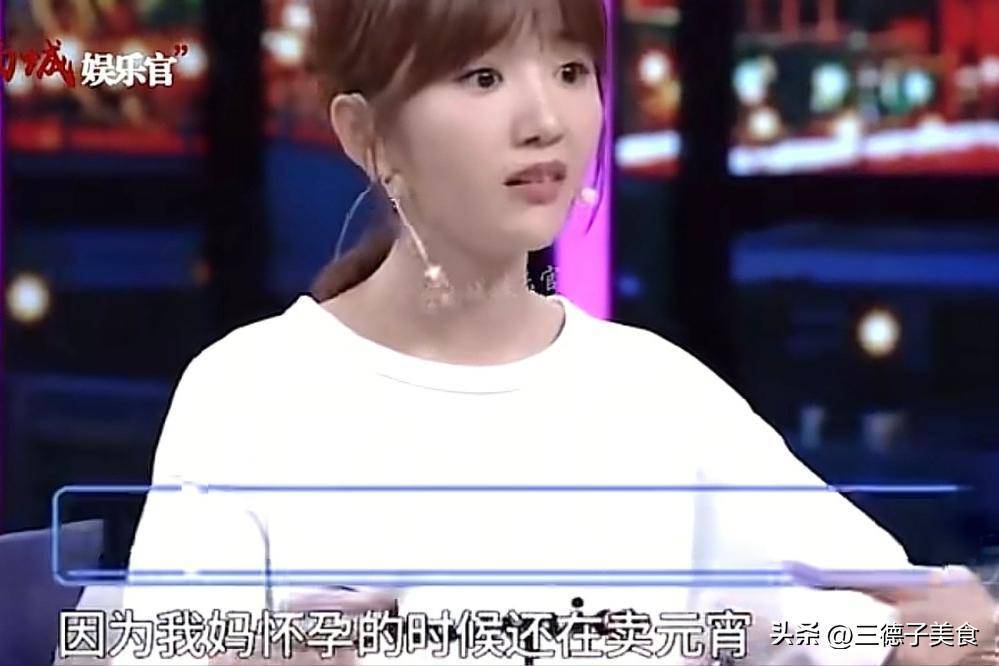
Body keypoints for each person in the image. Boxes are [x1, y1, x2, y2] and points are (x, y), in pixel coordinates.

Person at [115, 1, 997, 665]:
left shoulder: (657, 395)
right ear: (365, 132)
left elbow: (888, 619)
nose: (544, 119)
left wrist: (935, 636)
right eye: (482, 77)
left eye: (571, 70)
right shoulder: (251, 393)